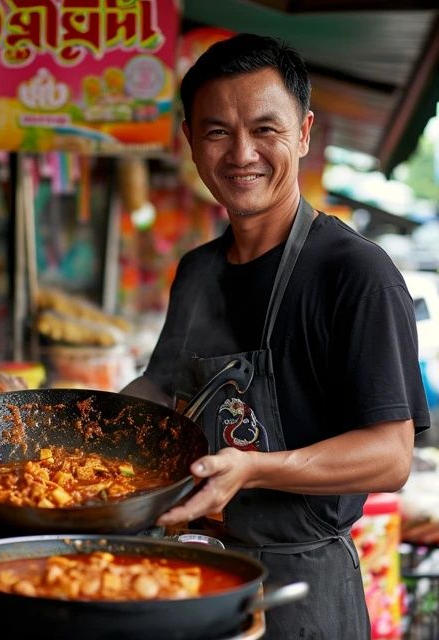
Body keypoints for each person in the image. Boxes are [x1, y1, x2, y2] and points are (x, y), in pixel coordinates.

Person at [121, 33, 431, 639]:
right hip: (198, 570)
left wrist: (255, 468)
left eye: (265, 129)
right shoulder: (199, 269)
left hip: (301, 591)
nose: (242, 154)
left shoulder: (355, 274)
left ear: (304, 133)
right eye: (217, 132)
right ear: (189, 139)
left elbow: (391, 455)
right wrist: (72, 430)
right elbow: (160, 392)